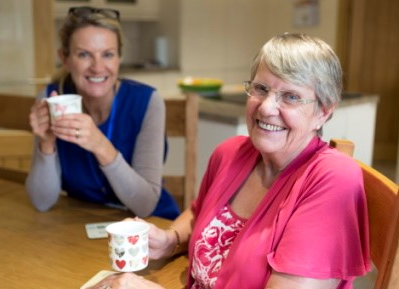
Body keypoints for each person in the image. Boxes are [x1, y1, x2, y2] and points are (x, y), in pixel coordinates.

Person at [88, 32, 371, 289]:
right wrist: (170, 241)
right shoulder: (232, 152)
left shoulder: (333, 179)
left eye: (291, 96)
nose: (266, 107)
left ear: (323, 111)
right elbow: (200, 215)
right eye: (261, 89)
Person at [25, 6, 180, 220]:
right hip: (83, 222)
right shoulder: (53, 98)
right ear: (65, 59)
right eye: (84, 54)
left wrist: (100, 145)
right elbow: (42, 202)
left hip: (149, 227)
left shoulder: (146, 102)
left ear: (119, 58)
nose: (97, 68)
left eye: (107, 54)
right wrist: (46, 144)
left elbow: (145, 205)